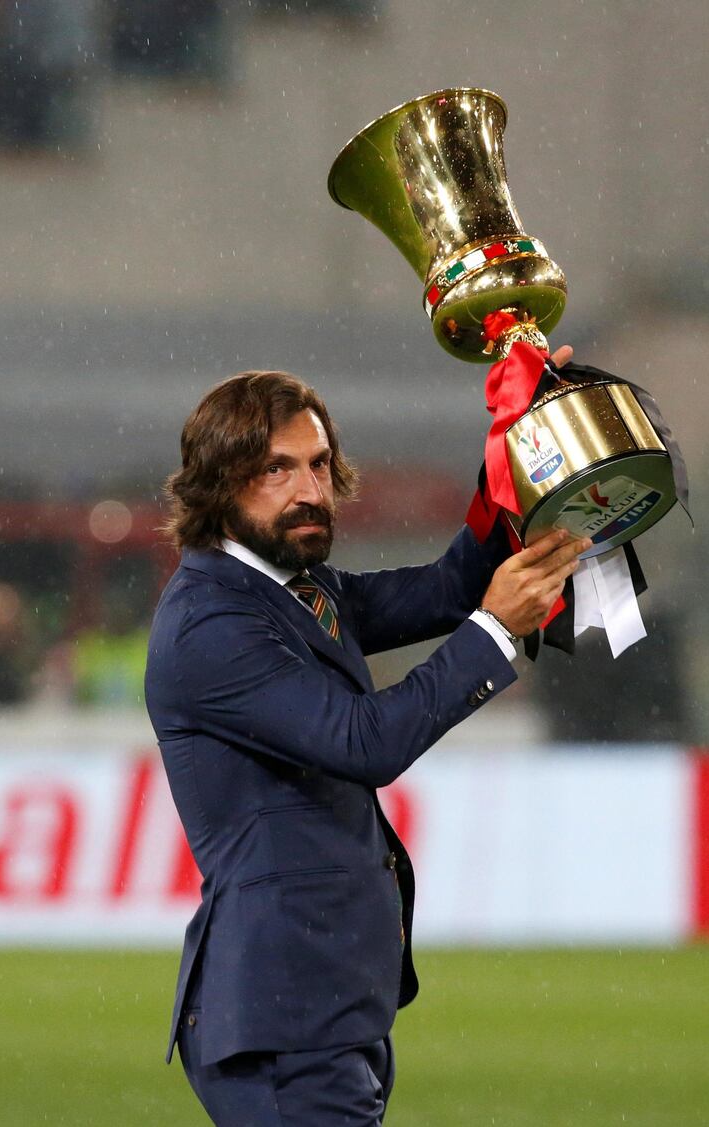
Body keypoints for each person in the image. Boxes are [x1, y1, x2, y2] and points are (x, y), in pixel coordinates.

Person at [144, 366, 589, 1126]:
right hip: (282, 1018)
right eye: (277, 469)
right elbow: (366, 740)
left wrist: (519, 443)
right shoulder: (211, 624)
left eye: (318, 464)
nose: (309, 489)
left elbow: (450, 584)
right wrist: (497, 629)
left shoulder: (294, 589)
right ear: (220, 484)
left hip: (322, 1004)